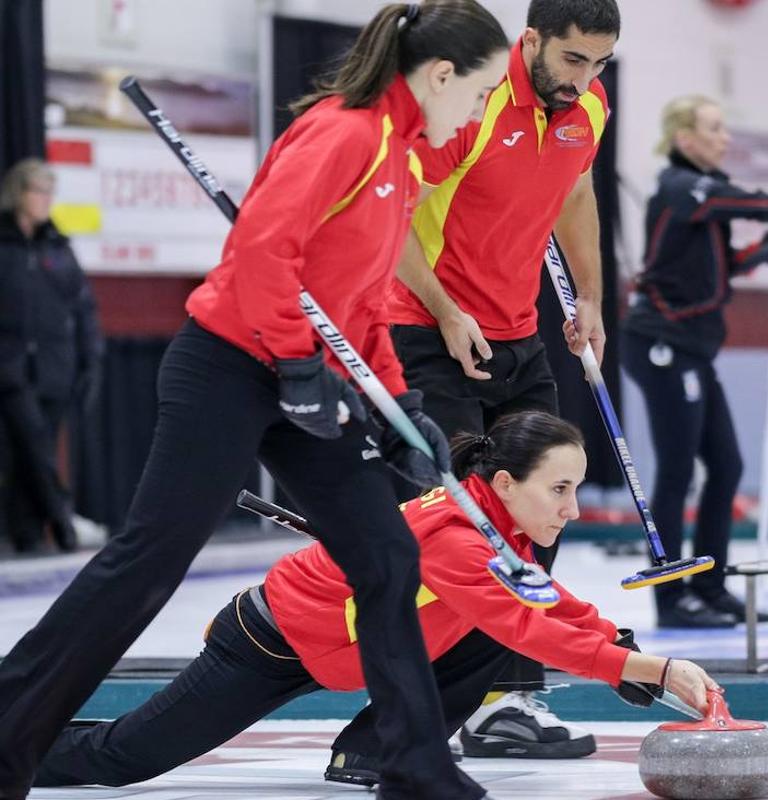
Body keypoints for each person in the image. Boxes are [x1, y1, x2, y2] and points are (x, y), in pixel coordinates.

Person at [0, 5, 511, 800]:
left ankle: (414, 767)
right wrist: (299, 364)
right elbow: (262, 254)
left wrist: (402, 409)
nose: (479, 113)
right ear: (441, 76)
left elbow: (365, 303)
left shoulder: (404, 162)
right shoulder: (342, 133)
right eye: (480, 94)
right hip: (231, 365)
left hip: (305, 374)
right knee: (148, 564)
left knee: (386, 557)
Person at [31, 411, 719, 791]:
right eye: (559, 489)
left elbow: (544, 600)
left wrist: (616, 646)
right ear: (505, 483)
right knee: (123, 759)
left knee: (492, 631)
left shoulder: (499, 522)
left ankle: (371, 753)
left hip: (345, 645)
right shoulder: (459, 538)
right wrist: (645, 671)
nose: (571, 508)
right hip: (273, 642)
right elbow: (522, 621)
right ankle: (15, 743)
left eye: (576, 488)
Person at [386, 0, 621, 757]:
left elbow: (576, 193)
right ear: (531, 41)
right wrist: (448, 312)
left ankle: (503, 702)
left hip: (518, 335)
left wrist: (588, 296)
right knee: (463, 525)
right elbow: (395, 221)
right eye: (572, 60)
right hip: (427, 329)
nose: (584, 79)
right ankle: (418, 701)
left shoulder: (588, 107)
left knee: (541, 510)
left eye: (599, 64)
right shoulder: (479, 104)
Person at [621, 94, 768, 630]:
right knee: (676, 469)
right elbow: (742, 201)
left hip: (690, 347)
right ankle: (672, 597)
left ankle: (710, 587)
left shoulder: (698, 201)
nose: (725, 137)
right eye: (714, 128)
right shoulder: (681, 187)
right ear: (684, 138)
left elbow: (715, 268)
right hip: (662, 345)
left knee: (726, 464)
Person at [0, 158, 103, 555]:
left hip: (55, 369)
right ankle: (64, 523)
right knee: (33, 445)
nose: (45, 200)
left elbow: (83, 309)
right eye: (37, 191)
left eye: (49, 192)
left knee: (33, 448)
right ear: (18, 194)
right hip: (11, 369)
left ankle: (26, 534)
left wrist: (90, 359)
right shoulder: (5, 247)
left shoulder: (58, 248)